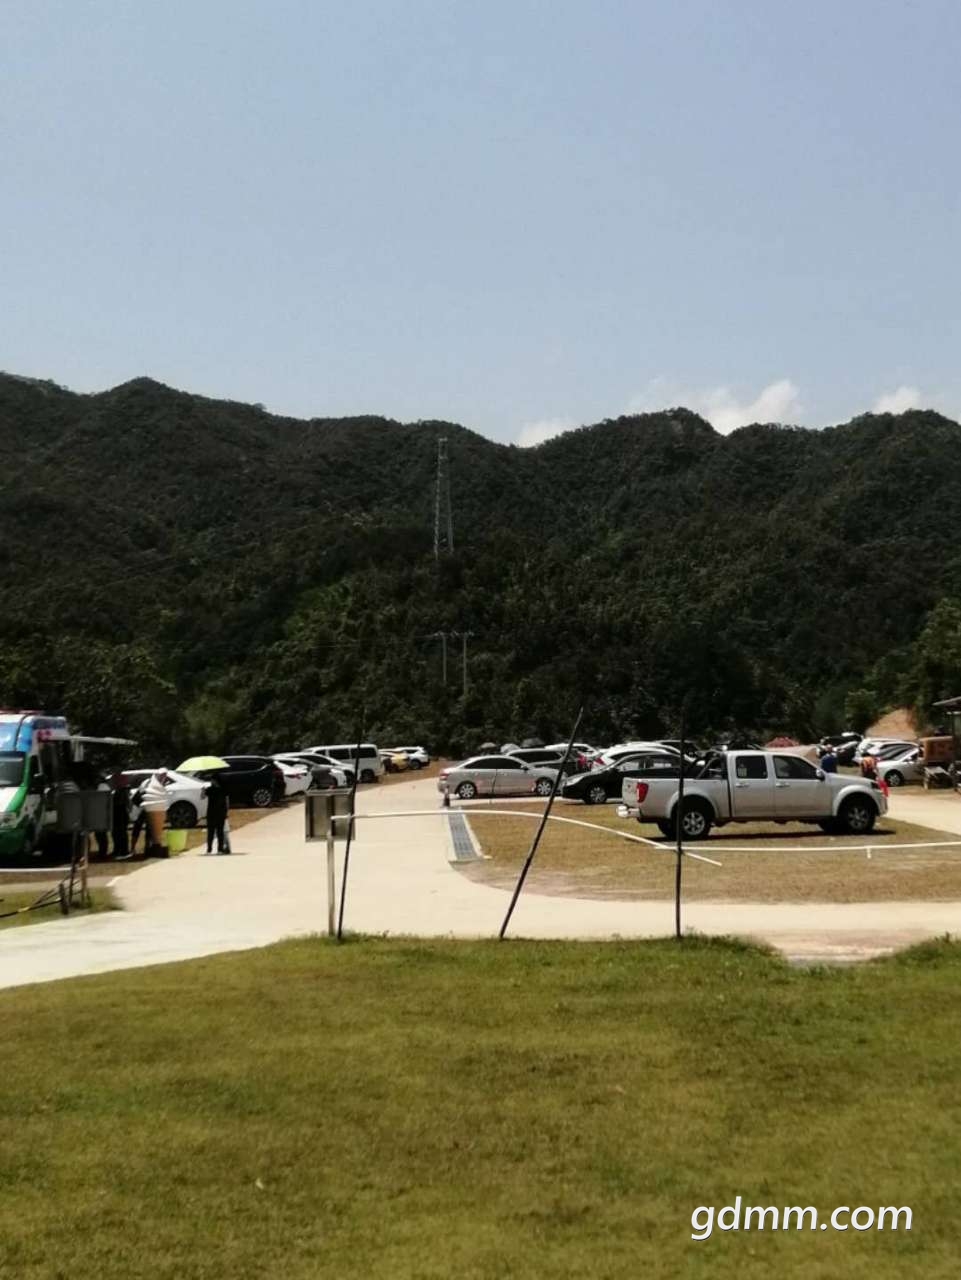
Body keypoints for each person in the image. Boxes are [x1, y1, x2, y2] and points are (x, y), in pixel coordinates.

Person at [203, 775, 230, 855]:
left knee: (219, 832)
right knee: (211, 832)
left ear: (215, 781)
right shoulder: (210, 789)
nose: (211, 782)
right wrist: (203, 791)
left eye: (212, 780)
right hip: (212, 813)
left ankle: (219, 849)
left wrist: (226, 811)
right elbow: (203, 796)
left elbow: (226, 801)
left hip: (218, 813)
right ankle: (209, 849)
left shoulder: (222, 789)